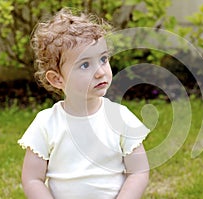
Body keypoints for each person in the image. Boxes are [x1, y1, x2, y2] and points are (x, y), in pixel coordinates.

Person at [17, 8, 150, 199]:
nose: (100, 72)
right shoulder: (46, 124)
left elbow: (138, 172)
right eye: (85, 65)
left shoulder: (120, 118)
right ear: (57, 79)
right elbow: (32, 179)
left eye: (103, 59)